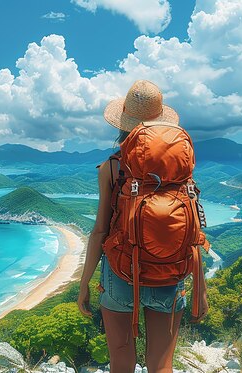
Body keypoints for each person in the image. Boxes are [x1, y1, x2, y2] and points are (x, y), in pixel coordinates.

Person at [77, 80, 187, 373]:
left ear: (122, 125)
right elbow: (192, 226)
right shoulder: (179, 167)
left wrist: (85, 282)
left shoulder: (111, 167)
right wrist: (199, 287)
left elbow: (100, 230)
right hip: (170, 270)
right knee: (161, 365)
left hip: (121, 272)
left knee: (122, 362)